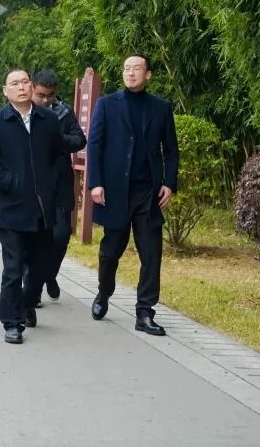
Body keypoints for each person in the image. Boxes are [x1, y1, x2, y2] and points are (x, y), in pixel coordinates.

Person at [87, 54, 179, 337]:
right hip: (115, 191)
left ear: (148, 74)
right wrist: (96, 183)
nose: (130, 73)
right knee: (110, 252)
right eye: (126, 68)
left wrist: (169, 183)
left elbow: (171, 150)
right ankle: (104, 292)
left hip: (148, 193)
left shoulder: (160, 108)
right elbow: (95, 144)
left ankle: (145, 312)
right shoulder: (107, 104)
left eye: (136, 68)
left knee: (151, 253)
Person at [0, 68, 66, 344]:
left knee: (40, 267)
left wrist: (52, 187)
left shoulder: (48, 120)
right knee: (13, 268)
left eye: (25, 82)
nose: (21, 87)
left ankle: (27, 303)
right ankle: (12, 322)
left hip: (42, 208)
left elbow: (58, 157)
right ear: (6, 91)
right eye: (14, 83)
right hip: (12, 207)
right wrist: (9, 181)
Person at [25, 68, 87, 303]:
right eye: (41, 95)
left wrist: (57, 140)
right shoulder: (22, 112)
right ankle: (32, 289)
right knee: (32, 237)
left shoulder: (63, 112)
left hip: (59, 182)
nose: (45, 100)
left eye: (50, 95)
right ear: (32, 88)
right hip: (30, 183)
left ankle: (48, 274)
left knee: (61, 235)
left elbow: (79, 139)